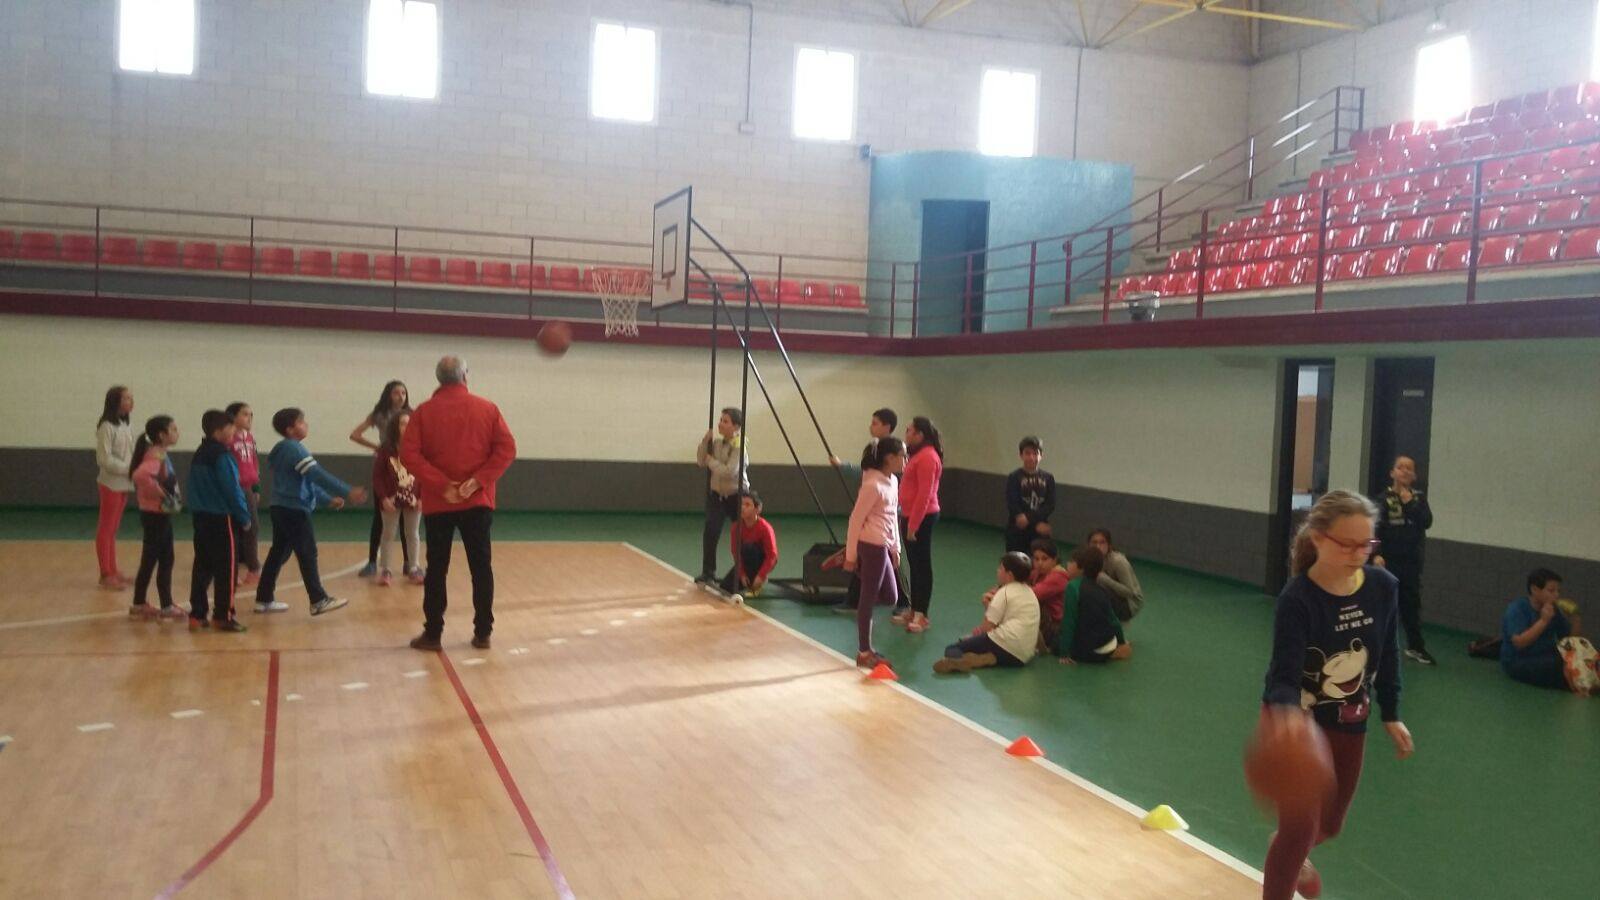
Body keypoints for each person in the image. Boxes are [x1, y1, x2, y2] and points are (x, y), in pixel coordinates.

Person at [1259, 490, 1413, 900]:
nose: (1359, 553)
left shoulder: (1383, 586)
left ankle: (1292, 849)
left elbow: (1389, 652)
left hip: (1350, 718)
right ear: (1319, 538)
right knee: (1300, 829)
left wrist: (1391, 712)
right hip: (1296, 722)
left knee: (1329, 826)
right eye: (1348, 543)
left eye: (1367, 543)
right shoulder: (1298, 598)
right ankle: (1288, 858)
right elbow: (1284, 674)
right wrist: (1288, 718)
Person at [401, 356, 517, 651]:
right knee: (481, 566)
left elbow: (409, 455)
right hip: (477, 501)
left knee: (436, 567)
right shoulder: (487, 408)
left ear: (438, 378)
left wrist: (442, 485)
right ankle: (483, 632)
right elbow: (507, 449)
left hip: (440, 504)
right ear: (465, 375)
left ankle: (433, 634)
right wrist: (477, 481)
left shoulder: (424, 412)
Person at [256, 408, 368, 617]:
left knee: (278, 552)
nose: (305, 424)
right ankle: (318, 600)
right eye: (301, 422)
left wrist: (326, 499)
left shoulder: (284, 449)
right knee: (307, 552)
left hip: (280, 508)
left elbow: (305, 480)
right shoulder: (294, 449)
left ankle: (263, 598)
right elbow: (316, 475)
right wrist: (347, 490)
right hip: (293, 510)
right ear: (290, 430)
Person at [828, 408, 908, 615]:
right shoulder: (874, 452)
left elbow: (875, 480)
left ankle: (901, 600)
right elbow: (866, 477)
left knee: (889, 564)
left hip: (886, 518)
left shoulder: (892, 453)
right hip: (872, 526)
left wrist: (842, 465)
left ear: (887, 427)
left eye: (875, 423)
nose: (870, 426)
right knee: (869, 560)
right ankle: (858, 601)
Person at [185, 409, 254, 633]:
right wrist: (244, 517)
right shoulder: (223, 456)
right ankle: (223, 615)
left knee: (203, 566)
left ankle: (197, 614)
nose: (234, 431)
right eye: (230, 427)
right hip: (221, 518)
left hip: (200, 517)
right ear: (219, 431)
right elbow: (232, 490)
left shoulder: (199, 453)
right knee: (227, 570)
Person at [844, 437, 906, 670]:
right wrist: (851, 556)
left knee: (891, 597)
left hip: (883, 546)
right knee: (868, 600)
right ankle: (864, 651)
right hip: (871, 545)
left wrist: (895, 547)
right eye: (903, 455)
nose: (905, 460)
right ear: (890, 458)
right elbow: (855, 521)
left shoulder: (893, 481)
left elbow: (892, 517)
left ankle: (863, 605)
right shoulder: (872, 485)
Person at [1372, 456, 1434, 665]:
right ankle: (1375, 646)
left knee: (1411, 605)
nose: (1405, 471)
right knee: (1383, 605)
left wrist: (1409, 502)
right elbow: (1373, 531)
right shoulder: (1382, 499)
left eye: (1409, 469)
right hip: (1387, 562)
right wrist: (1376, 553)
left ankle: (1416, 647)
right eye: (1400, 467)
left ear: (1414, 476)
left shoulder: (1418, 499)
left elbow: (1426, 522)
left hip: (1411, 562)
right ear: (1392, 473)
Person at [934, 552, 1040, 673]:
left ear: (1009, 575)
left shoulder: (1004, 592)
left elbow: (986, 629)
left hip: (1005, 643)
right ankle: (988, 658)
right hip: (1022, 657)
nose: (997, 571)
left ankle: (960, 662)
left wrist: (987, 607)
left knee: (953, 648)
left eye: (1001, 568)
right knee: (987, 645)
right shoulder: (1031, 594)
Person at [350, 380, 412, 579]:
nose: (400, 396)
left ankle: (409, 562)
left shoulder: (412, 414)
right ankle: (372, 562)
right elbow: (355, 434)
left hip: (407, 468)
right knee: (381, 517)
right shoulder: (379, 415)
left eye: (403, 393)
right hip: (386, 467)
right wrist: (375, 447)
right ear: (388, 395)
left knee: (406, 518)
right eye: (396, 393)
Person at [129, 415, 185, 621]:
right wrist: (162, 494)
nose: (177, 432)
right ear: (162, 435)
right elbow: (140, 476)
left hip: (157, 514)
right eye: (173, 429)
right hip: (155, 515)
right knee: (163, 559)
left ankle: (140, 602)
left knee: (153, 559)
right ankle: (165, 606)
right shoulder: (156, 455)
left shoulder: (159, 453)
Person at [896, 416, 943, 634]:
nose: (906, 434)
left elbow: (925, 494)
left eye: (909, 431)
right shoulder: (917, 455)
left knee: (922, 565)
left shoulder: (928, 457)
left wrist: (913, 525)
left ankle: (922, 615)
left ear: (919, 435)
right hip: (909, 515)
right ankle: (914, 609)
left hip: (922, 518)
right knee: (914, 564)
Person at [1500, 568, 1580, 691]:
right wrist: (1543, 621)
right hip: (1519, 661)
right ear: (1535, 590)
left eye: (1558, 591)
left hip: (1546, 655)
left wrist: (1576, 618)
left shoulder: (1554, 610)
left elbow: (1570, 642)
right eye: (1551, 591)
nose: (1556, 595)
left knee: (1583, 660)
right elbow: (1519, 643)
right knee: (1559, 667)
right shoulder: (1517, 609)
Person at [695, 407, 748, 584]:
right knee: (711, 531)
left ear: (736, 427)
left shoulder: (739, 447)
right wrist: (705, 442)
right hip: (717, 495)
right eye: (720, 420)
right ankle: (708, 572)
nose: (720, 423)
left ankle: (745, 572)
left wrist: (711, 460)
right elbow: (700, 461)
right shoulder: (716, 444)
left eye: (725, 421)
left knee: (743, 534)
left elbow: (729, 472)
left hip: (736, 495)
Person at [373, 412, 424, 587]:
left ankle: (414, 567)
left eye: (409, 423)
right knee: (388, 533)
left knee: (413, 534)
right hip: (391, 499)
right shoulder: (385, 449)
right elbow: (378, 476)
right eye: (402, 423)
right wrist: (383, 498)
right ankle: (386, 570)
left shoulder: (419, 448)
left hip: (413, 498)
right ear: (395, 426)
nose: (406, 427)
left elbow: (425, 474)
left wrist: (422, 497)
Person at [94, 385, 135, 590]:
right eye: (126, 398)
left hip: (124, 483)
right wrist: (128, 468)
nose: (131, 401)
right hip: (111, 483)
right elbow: (103, 458)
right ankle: (105, 573)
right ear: (115, 402)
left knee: (114, 528)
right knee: (106, 528)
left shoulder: (125, 425)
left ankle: (113, 569)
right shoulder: (106, 427)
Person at [1056, 545, 1125, 663]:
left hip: (1089, 651)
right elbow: (1113, 620)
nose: (1067, 564)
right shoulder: (1101, 589)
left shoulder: (1073, 587)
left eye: (1071, 561)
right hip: (1109, 646)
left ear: (1081, 568)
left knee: (1054, 640)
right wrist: (1122, 642)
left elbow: (1069, 621)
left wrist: (1064, 653)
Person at [226, 402, 262, 586]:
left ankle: (252, 567)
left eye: (251, 414)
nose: (249, 418)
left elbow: (254, 462)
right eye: (245, 414)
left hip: (247, 487)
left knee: (251, 526)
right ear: (233, 417)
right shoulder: (229, 440)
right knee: (241, 527)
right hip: (235, 488)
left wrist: (256, 487)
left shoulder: (249, 438)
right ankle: (251, 567)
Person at [1004, 436, 1056, 554]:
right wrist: (1024, 518)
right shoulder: (1014, 477)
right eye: (1027, 453)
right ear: (1021, 455)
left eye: (1035, 453)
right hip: (1018, 528)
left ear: (1041, 456)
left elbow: (1050, 504)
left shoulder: (1048, 478)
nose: (1031, 457)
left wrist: (1031, 520)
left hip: (1040, 530)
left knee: (1040, 563)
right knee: (1016, 563)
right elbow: (1012, 502)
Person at [721, 491, 777, 598]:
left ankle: (758, 580)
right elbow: (735, 552)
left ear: (757, 509)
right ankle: (749, 580)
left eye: (747, 505)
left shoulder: (765, 528)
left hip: (761, 559)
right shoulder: (736, 527)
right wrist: (741, 574)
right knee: (725, 587)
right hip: (746, 561)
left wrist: (761, 575)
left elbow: (772, 556)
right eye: (741, 504)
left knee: (749, 548)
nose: (743, 508)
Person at [1087, 529, 1144, 622]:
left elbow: (1129, 592)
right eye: (1094, 542)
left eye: (1102, 542)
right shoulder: (1089, 558)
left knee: (1098, 591)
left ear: (1109, 545)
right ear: (1088, 545)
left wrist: (1107, 580)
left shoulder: (1118, 561)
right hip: (1112, 594)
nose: (1098, 546)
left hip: (1129, 603)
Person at [1028, 539, 1070, 653]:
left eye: (1044, 558)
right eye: (1036, 559)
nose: (1040, 563)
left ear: (1054, 560)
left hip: (1057, 627)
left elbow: (1033, 594)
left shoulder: (1058, 576)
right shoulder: (1037, 573)